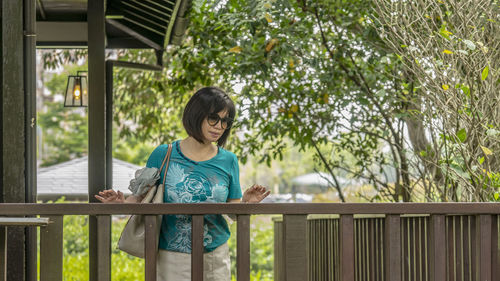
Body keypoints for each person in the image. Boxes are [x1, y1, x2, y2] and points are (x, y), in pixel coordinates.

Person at [95, 86, 270, 281]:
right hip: (170, 255)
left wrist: (246, 203)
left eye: (225, 121)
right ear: (196, 115)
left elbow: (232, 210)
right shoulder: (163, 154)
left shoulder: (229, 160)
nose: (219, 127)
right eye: (213, 118)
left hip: (215, 256)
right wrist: (121, 204)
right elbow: (139, 199)